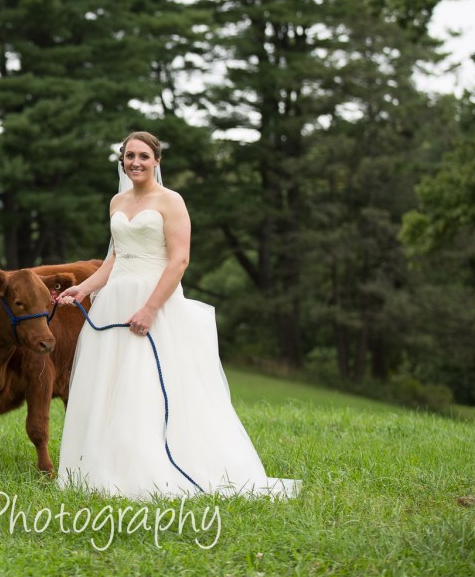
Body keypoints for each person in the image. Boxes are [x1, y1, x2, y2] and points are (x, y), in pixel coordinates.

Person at [56, 132, 299, 499]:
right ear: (122, 160)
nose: (135, 162)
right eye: (129, 156)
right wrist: (83, 288)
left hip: (155, 301)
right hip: (116, 301)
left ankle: (150, 469)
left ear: (157, 160)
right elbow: (115, 258)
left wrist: (150, 309)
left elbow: (180, 260)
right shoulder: (117, 202)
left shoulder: (171, 201)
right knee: (110, 384)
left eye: (143, 156)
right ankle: (108, 466)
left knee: (146, 385)